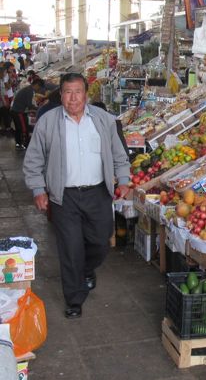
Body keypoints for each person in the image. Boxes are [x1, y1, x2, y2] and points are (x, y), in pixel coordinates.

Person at [23, 73, 130, 319]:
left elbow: (119, 153)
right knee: (70, 248)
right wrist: (38, 189)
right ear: (60, 95)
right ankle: (74, 299)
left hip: (97, 193)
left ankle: (86, 268)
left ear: (86, 94)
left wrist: (123, 180)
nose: (73, 98)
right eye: (68, 92)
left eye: (78, 92)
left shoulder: (104, 120)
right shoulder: (48, 122)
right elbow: (34, 160)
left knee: (101, 241)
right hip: (64, 196)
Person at [10, 78, 46, 149]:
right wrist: (39, 109)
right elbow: (29, 105)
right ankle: (24, 144)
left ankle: (19, 143)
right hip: (18, 111)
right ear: (36, 85)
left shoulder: (28, 89)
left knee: (19, 128)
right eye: (39, 88)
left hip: (16, 110)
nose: (39, 90)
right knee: (23, 129)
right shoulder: (29, 91)